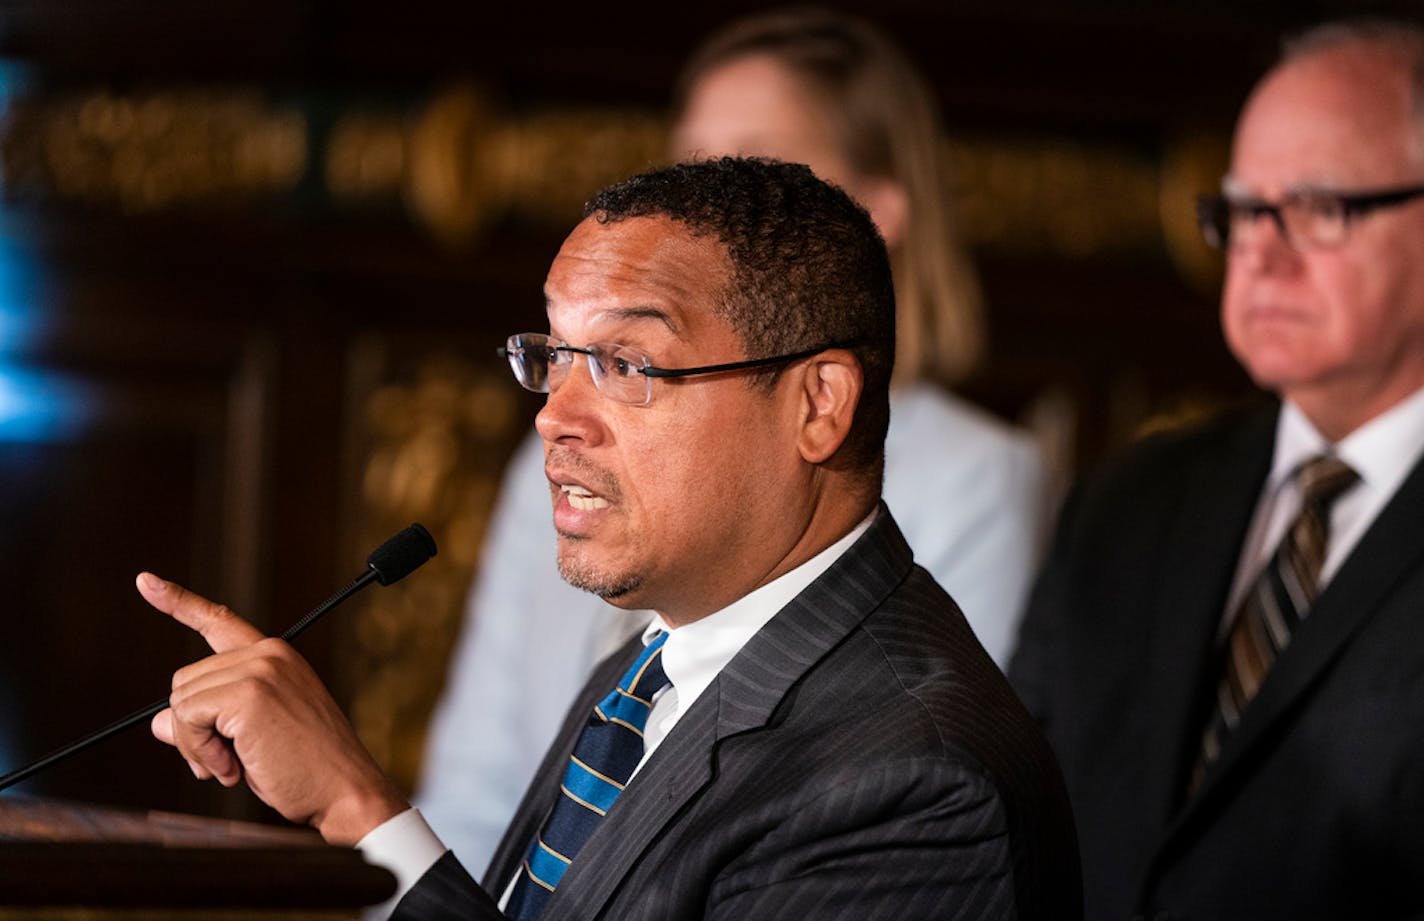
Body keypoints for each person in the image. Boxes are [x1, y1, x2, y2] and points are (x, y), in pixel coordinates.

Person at [144, 156, 1081, 920]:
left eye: (626, 362)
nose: (557, 416)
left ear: (817, 404)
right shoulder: (652, 664)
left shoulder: (915, 782)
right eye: (553, 356)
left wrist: (359, 810)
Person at [417, 7, 1047, 873]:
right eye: (687, 163)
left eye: (750, 167)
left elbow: (852, 766)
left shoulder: (968, 493)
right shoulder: (575, 485)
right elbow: (478, 791)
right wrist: (366, 816)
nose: (697, 202)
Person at [1008, 18, 1424, 921]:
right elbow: (1005, 818)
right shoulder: (1126, 499)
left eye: (1319, 207)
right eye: (1240, 209)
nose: (1261, 254)